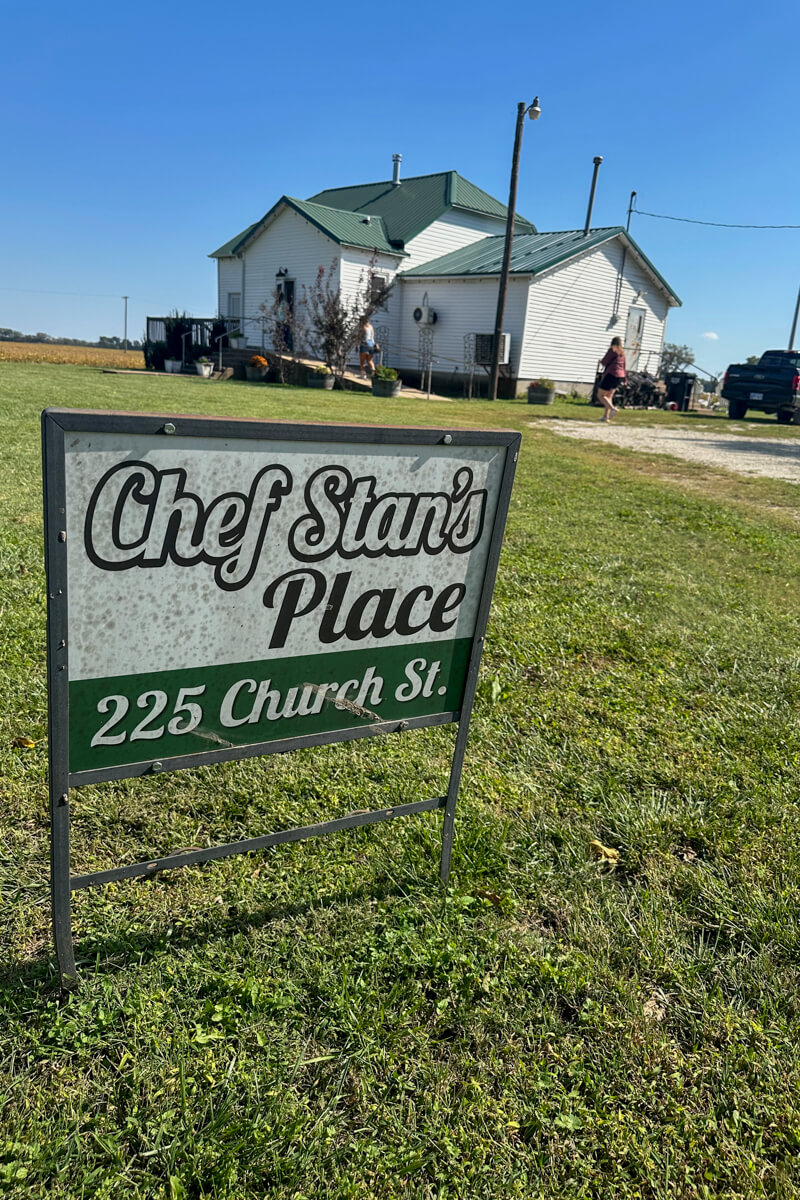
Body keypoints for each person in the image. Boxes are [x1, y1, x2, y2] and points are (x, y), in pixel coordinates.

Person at [596, 336, 626, 421]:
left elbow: (605, 361)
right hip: (620, 376)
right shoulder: (622, 353)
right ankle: (606, 417)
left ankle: (613, 409)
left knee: (601, 395)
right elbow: (624, 366)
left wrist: (601, 361)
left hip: (611, 374)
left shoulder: (612, 350)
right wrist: (625, 379)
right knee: (609, 396)